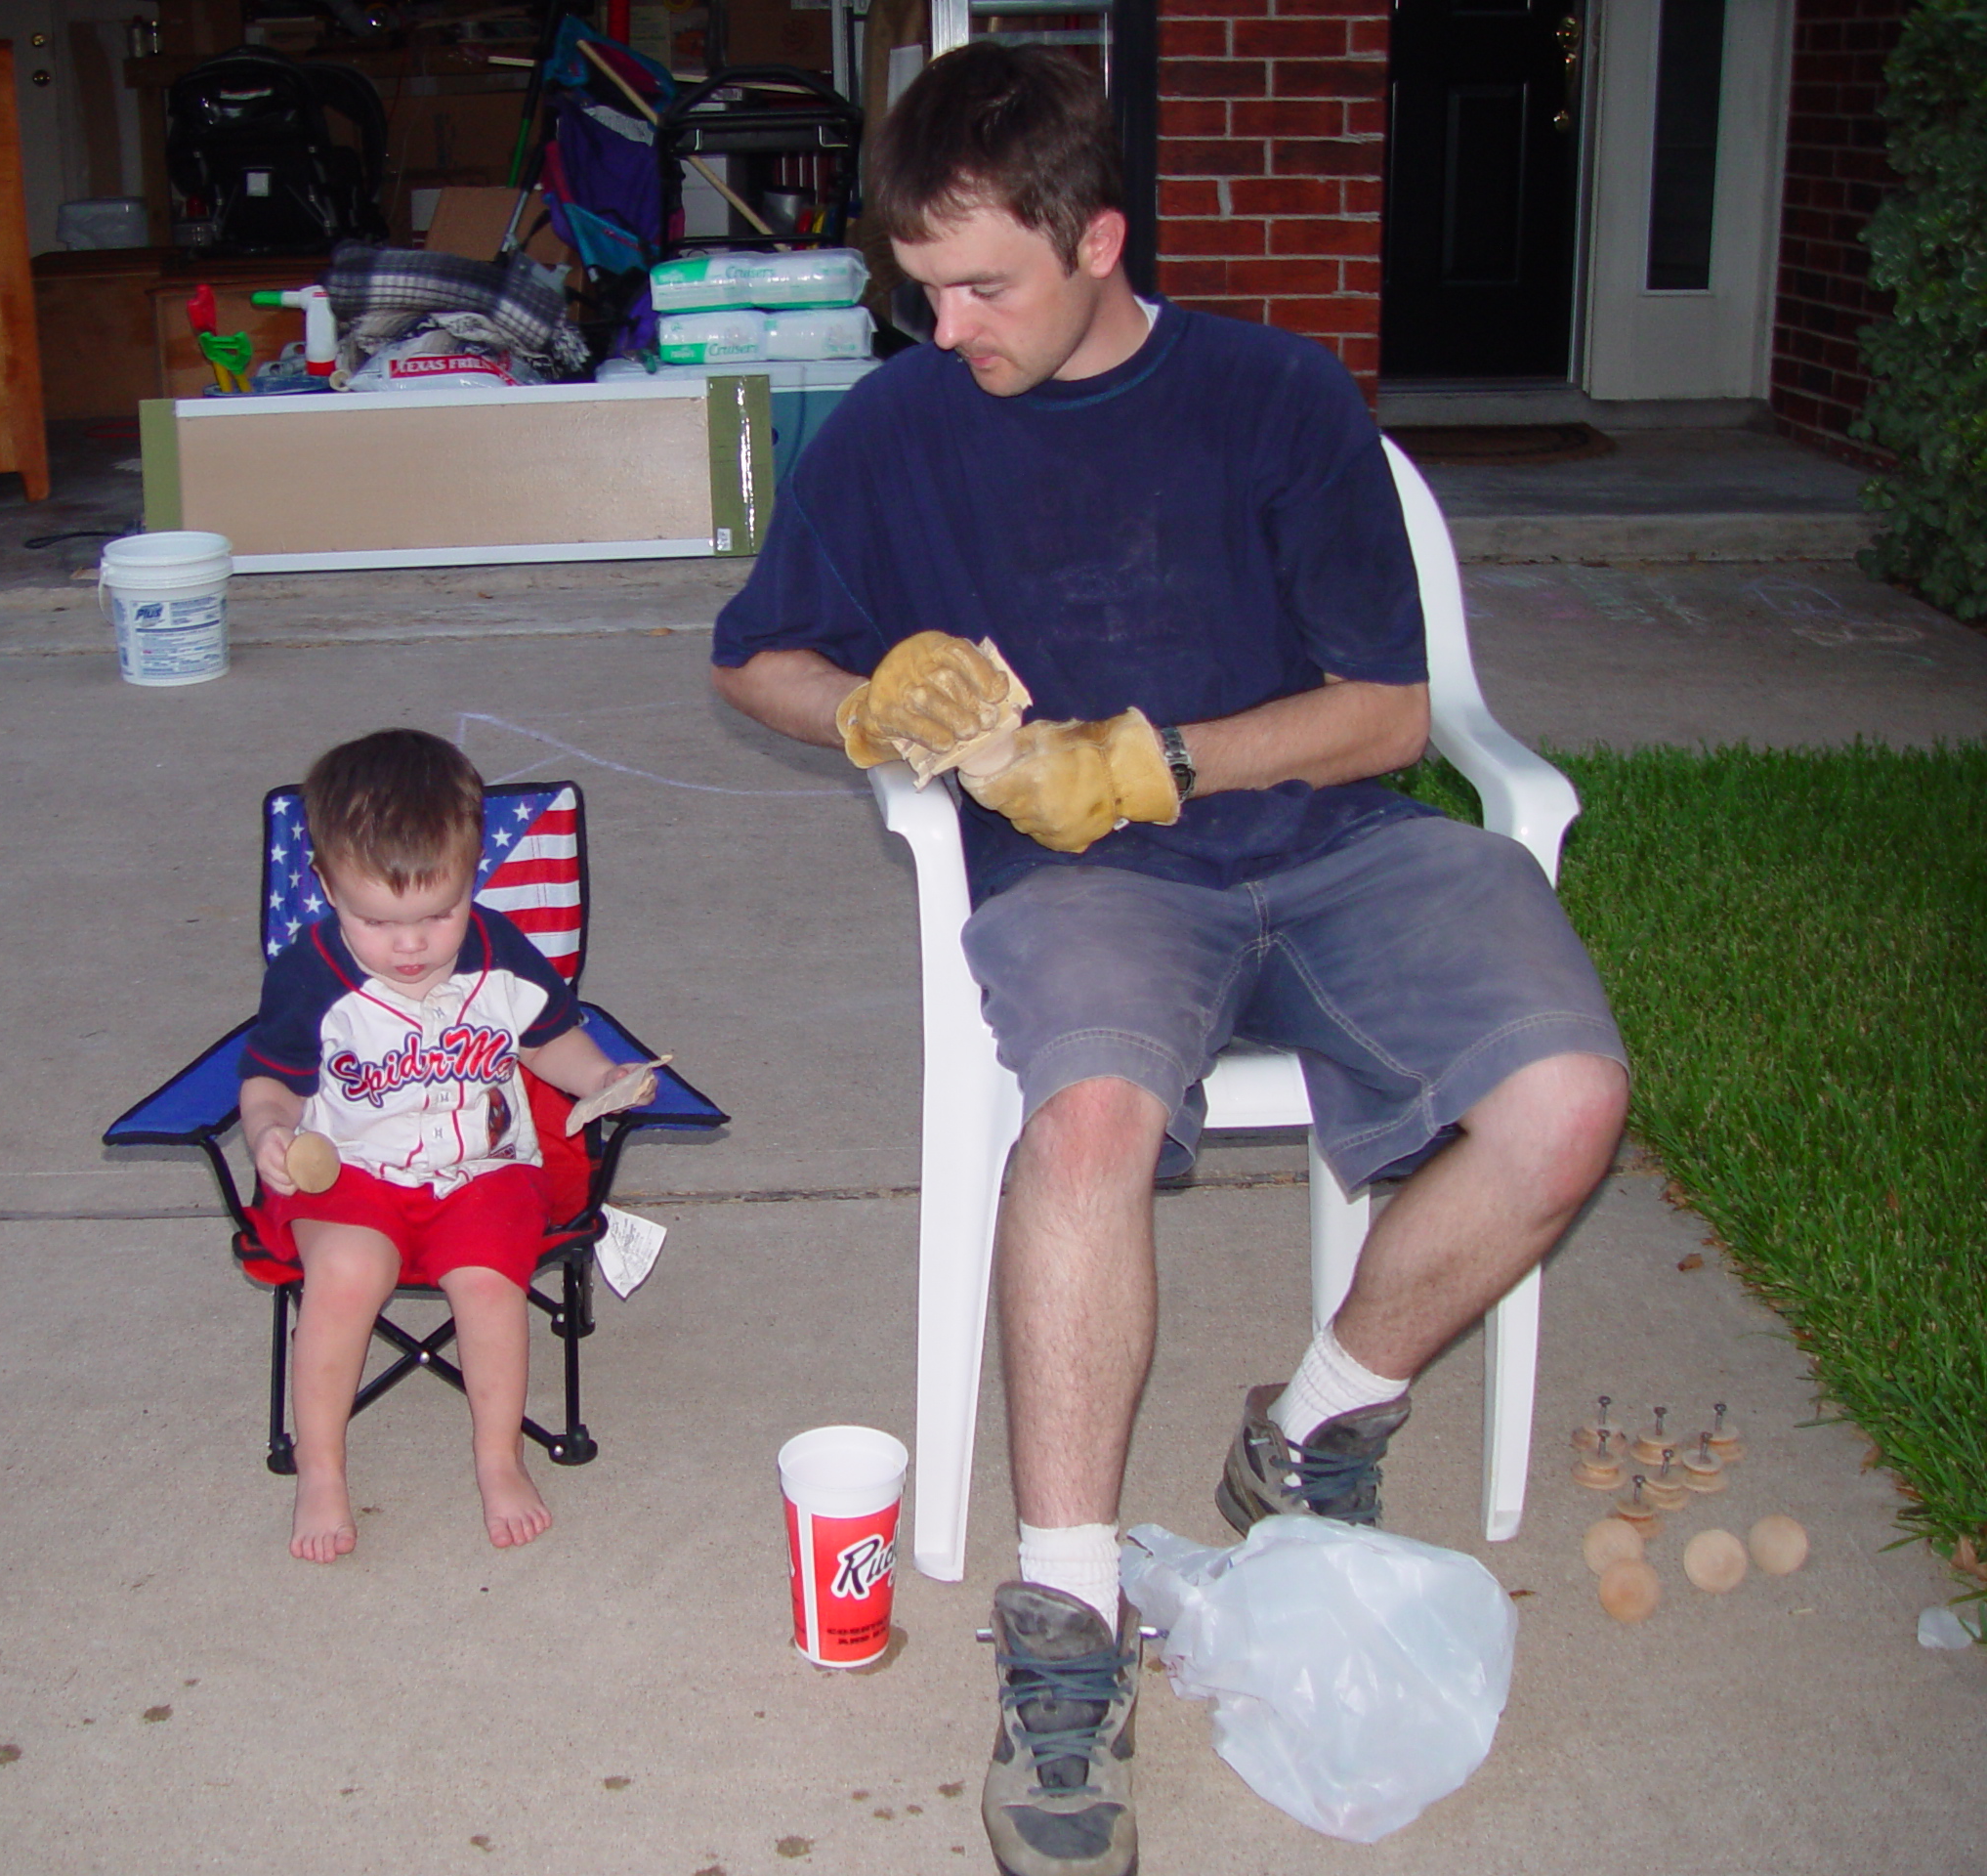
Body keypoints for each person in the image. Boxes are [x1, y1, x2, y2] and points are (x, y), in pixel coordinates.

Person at [709, 43, 1628, 1876]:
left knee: (1569, 1100)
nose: (947, 323)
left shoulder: (1279, 398)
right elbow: (754, 656)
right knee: (1087, 1125)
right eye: (923, 285)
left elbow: (1383, 717)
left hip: (1337, 849)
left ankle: (1319, 1422)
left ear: (1103, 238)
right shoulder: (899, 428)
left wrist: (1159, 757)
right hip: (1092, 896)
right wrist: (874, 708)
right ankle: (1064, 1620)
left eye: (987, 286)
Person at [236, 729, 652, 1564]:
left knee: (489, 1285)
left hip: (482, 1170)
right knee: (348, 1272)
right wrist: (269, 1134)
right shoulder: (308, 975)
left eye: (439, 913)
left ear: (473, 881)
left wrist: (602, 1077)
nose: (412, 944)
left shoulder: (501, 952)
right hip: (349, 1171)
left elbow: (548, 1043)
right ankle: (321, 1469)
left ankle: (497, 1459)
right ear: (323, 886)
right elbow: (268, 1083)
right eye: (378, 921)